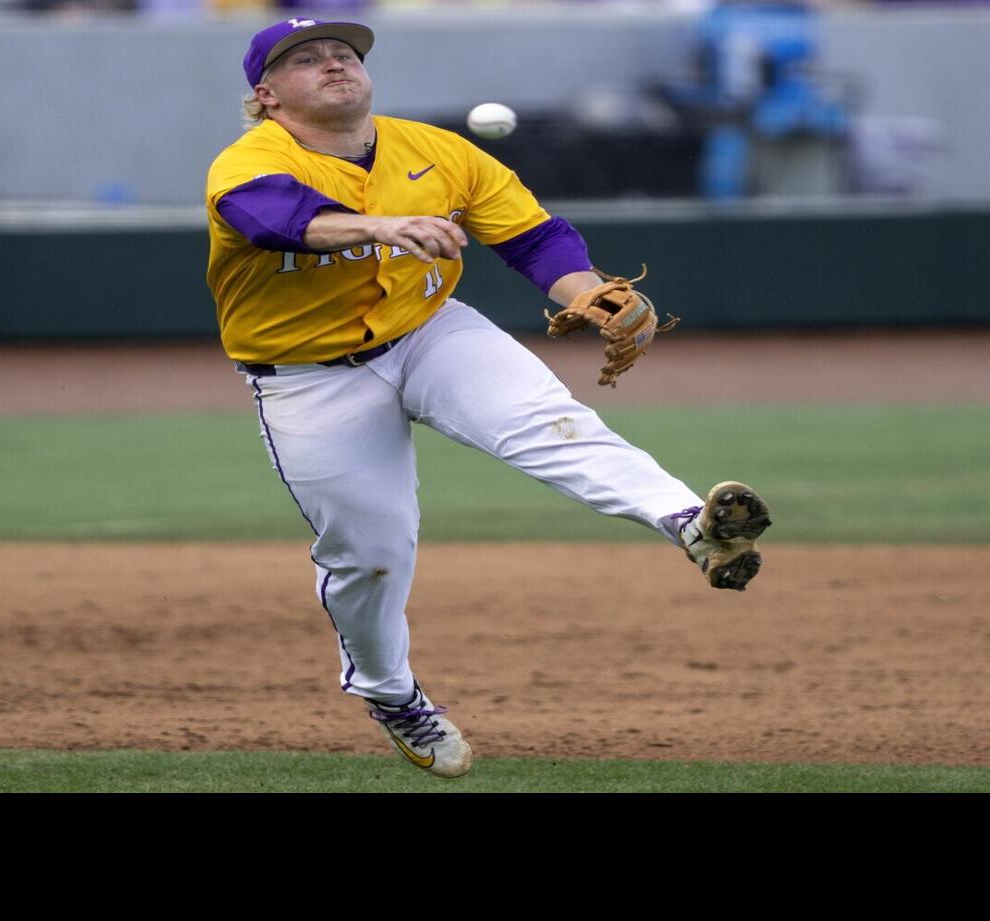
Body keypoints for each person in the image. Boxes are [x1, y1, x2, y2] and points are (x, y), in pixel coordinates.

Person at [205, 18, 772, 779]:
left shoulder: (436, 149)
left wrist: (588, 292)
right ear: (266, 95)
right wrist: (380, 224)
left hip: (428, 329)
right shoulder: (248, 162)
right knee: (369, 553)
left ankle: (687, 521)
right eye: (306, 59)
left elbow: (533, 238)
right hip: (306, 373)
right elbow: (272, 218)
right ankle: (389, 691)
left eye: (344, 52)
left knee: (546, 420)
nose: (334, 63)